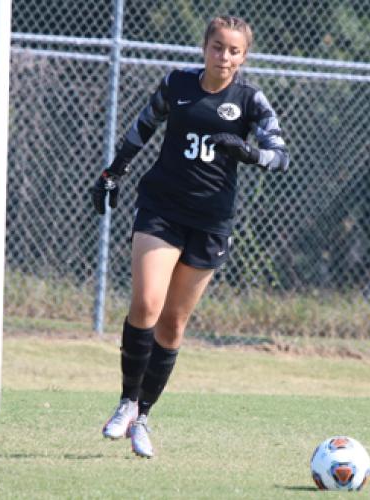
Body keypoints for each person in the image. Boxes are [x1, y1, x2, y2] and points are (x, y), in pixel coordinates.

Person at [92, 15, 289, 459]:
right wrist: (114, 171)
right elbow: (143, 125)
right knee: (146, 303)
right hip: (161, 209)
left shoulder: (251, 100)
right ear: (205, 48)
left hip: (210, 222)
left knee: (174, 323)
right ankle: (126, 401)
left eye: (234, 50)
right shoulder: (178, 84)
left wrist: (250, 153)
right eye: (218, 47)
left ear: (244, 56)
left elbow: (281, 156)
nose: (225, 57)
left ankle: (143, 416)